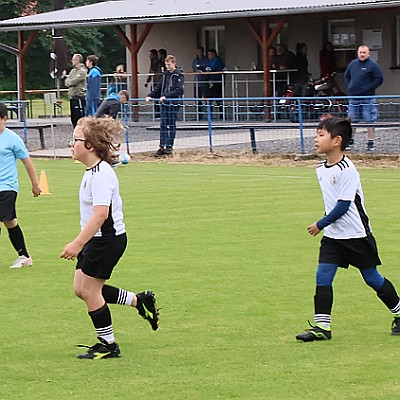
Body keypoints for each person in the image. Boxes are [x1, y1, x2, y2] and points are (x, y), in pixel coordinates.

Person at [60, 116, 159, 359]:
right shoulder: (91, 171)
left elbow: (101, 215)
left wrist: (77, 243)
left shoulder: (101, 175)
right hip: (96, 239)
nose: (71, 144)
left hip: (106, 240)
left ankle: (108, 345)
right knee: (81, 289)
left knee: (90, 291)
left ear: (90, 146)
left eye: (75, 140)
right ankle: (139, 301)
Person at [296, 117, 400, 342]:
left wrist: (320, 224)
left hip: (356, 236)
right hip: (334, 236)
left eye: (321, 135)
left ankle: (399, 313)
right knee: (323, 274)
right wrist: (327, 226)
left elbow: (343, 205)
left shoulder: (348, 169)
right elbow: (331, 204)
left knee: (372, 278)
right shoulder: (320, 169)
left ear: (337, 140)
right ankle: (322, 328)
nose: (316, 139)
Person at [0, 102, 41, 268]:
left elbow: (27, 161)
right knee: (10, 222)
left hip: (7, 187)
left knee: (6, 220)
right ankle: (24, 256)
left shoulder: (12, 139)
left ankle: (24, 256)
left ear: (5, 119)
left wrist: (35, 184)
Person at [344, 45, 383, 151]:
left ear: (368, 54)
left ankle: (370, 142)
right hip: (354, 97)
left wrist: (368, 88)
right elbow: (346, 75)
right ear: (357, 53)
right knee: (352, 119)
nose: (362, 54)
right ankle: (350, 141)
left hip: (368, 97)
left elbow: (379, 79)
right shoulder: (353, 64)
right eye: (360, 52)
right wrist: (349, 86)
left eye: (364, 52)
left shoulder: (373, 65)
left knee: (369, 119)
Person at [146, 55, 184, 157]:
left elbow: (179, 90)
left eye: (169, 64)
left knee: (171, 124)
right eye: (166, 64)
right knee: (163, 124)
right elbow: (159, 87)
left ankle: (169, 146)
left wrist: (166, 96)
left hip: (173, 103)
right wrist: (150, 95)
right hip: (164, 103)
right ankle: (162, 146)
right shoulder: (165, 75)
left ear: (174, 63)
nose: (167, 66)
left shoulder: (178, 75)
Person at [65, 53, 87, 128]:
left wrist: (71, 81)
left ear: (78, 60)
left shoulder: (82, 71)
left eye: (73, 59)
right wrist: (70, 82)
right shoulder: (73, 71)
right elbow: (67, 82)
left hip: (79, 96)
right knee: (73, 117)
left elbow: (74, 81)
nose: (72, 61)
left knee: (79, 116)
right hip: (72, 96)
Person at [205, 49, 225, 118]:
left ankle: (220, 115)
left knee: (217, 98)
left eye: (210, 54)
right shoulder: (210, 61)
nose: (209, 56)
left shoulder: (217, 60)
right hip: (213, 81)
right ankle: (211, 114)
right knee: (211, 98)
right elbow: (206, 67)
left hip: (217, 82)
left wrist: (207, 69)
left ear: (213, 54)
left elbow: (212, 68)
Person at [191, 46, 208, 119]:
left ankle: (208, 114)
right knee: (197, 98)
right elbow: (193, 67)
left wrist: (201, 67)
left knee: (206, 98)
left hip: (204, 81)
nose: (199, 53)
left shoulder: (206, 60)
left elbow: (207, 67)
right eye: (198, 52)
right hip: (197, 81)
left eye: (200, 52)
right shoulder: (195, 60)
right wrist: (197, 68)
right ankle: (199, 115)